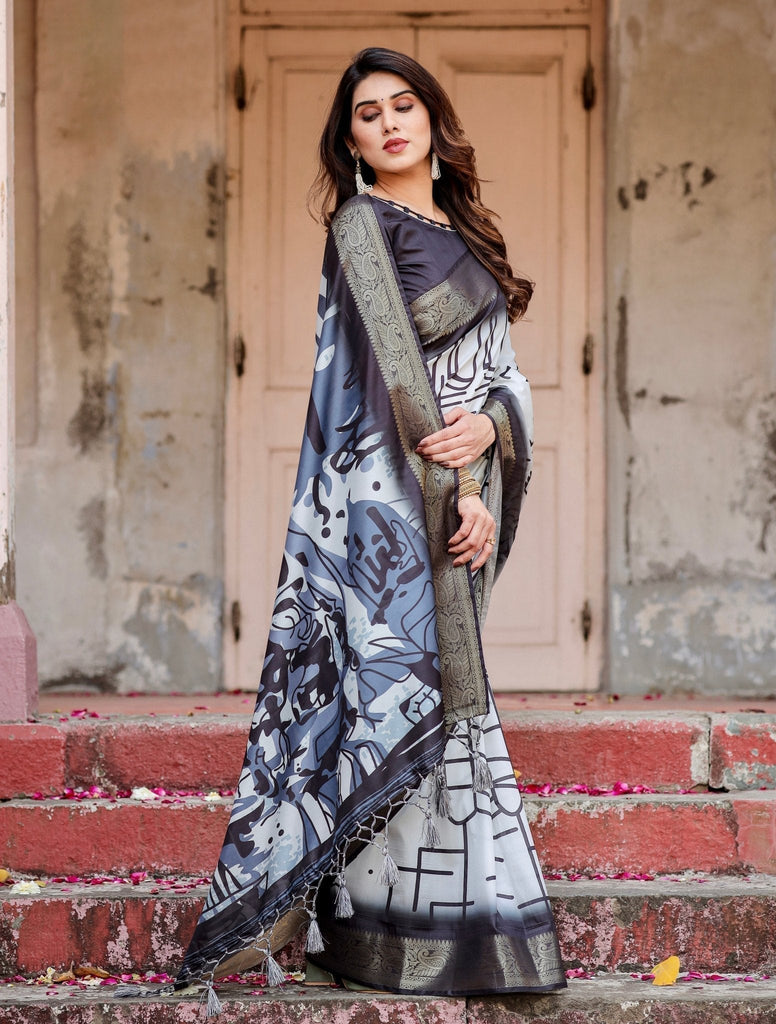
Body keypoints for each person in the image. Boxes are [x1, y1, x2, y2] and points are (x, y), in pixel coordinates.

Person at [177, 47, 566, 1012]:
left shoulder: (462, 228)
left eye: (403, 105)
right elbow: (393, 378)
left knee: (447, 698)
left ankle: (433, 927)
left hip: (455, 482)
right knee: (412, 692)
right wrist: (457, 491)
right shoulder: (361, 226)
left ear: (432, 119)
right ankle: (388, 932)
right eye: (367, 113)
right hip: (394, 503)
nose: (389, 123)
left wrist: (492, 434)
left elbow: (501, 376)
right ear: (348, 139)